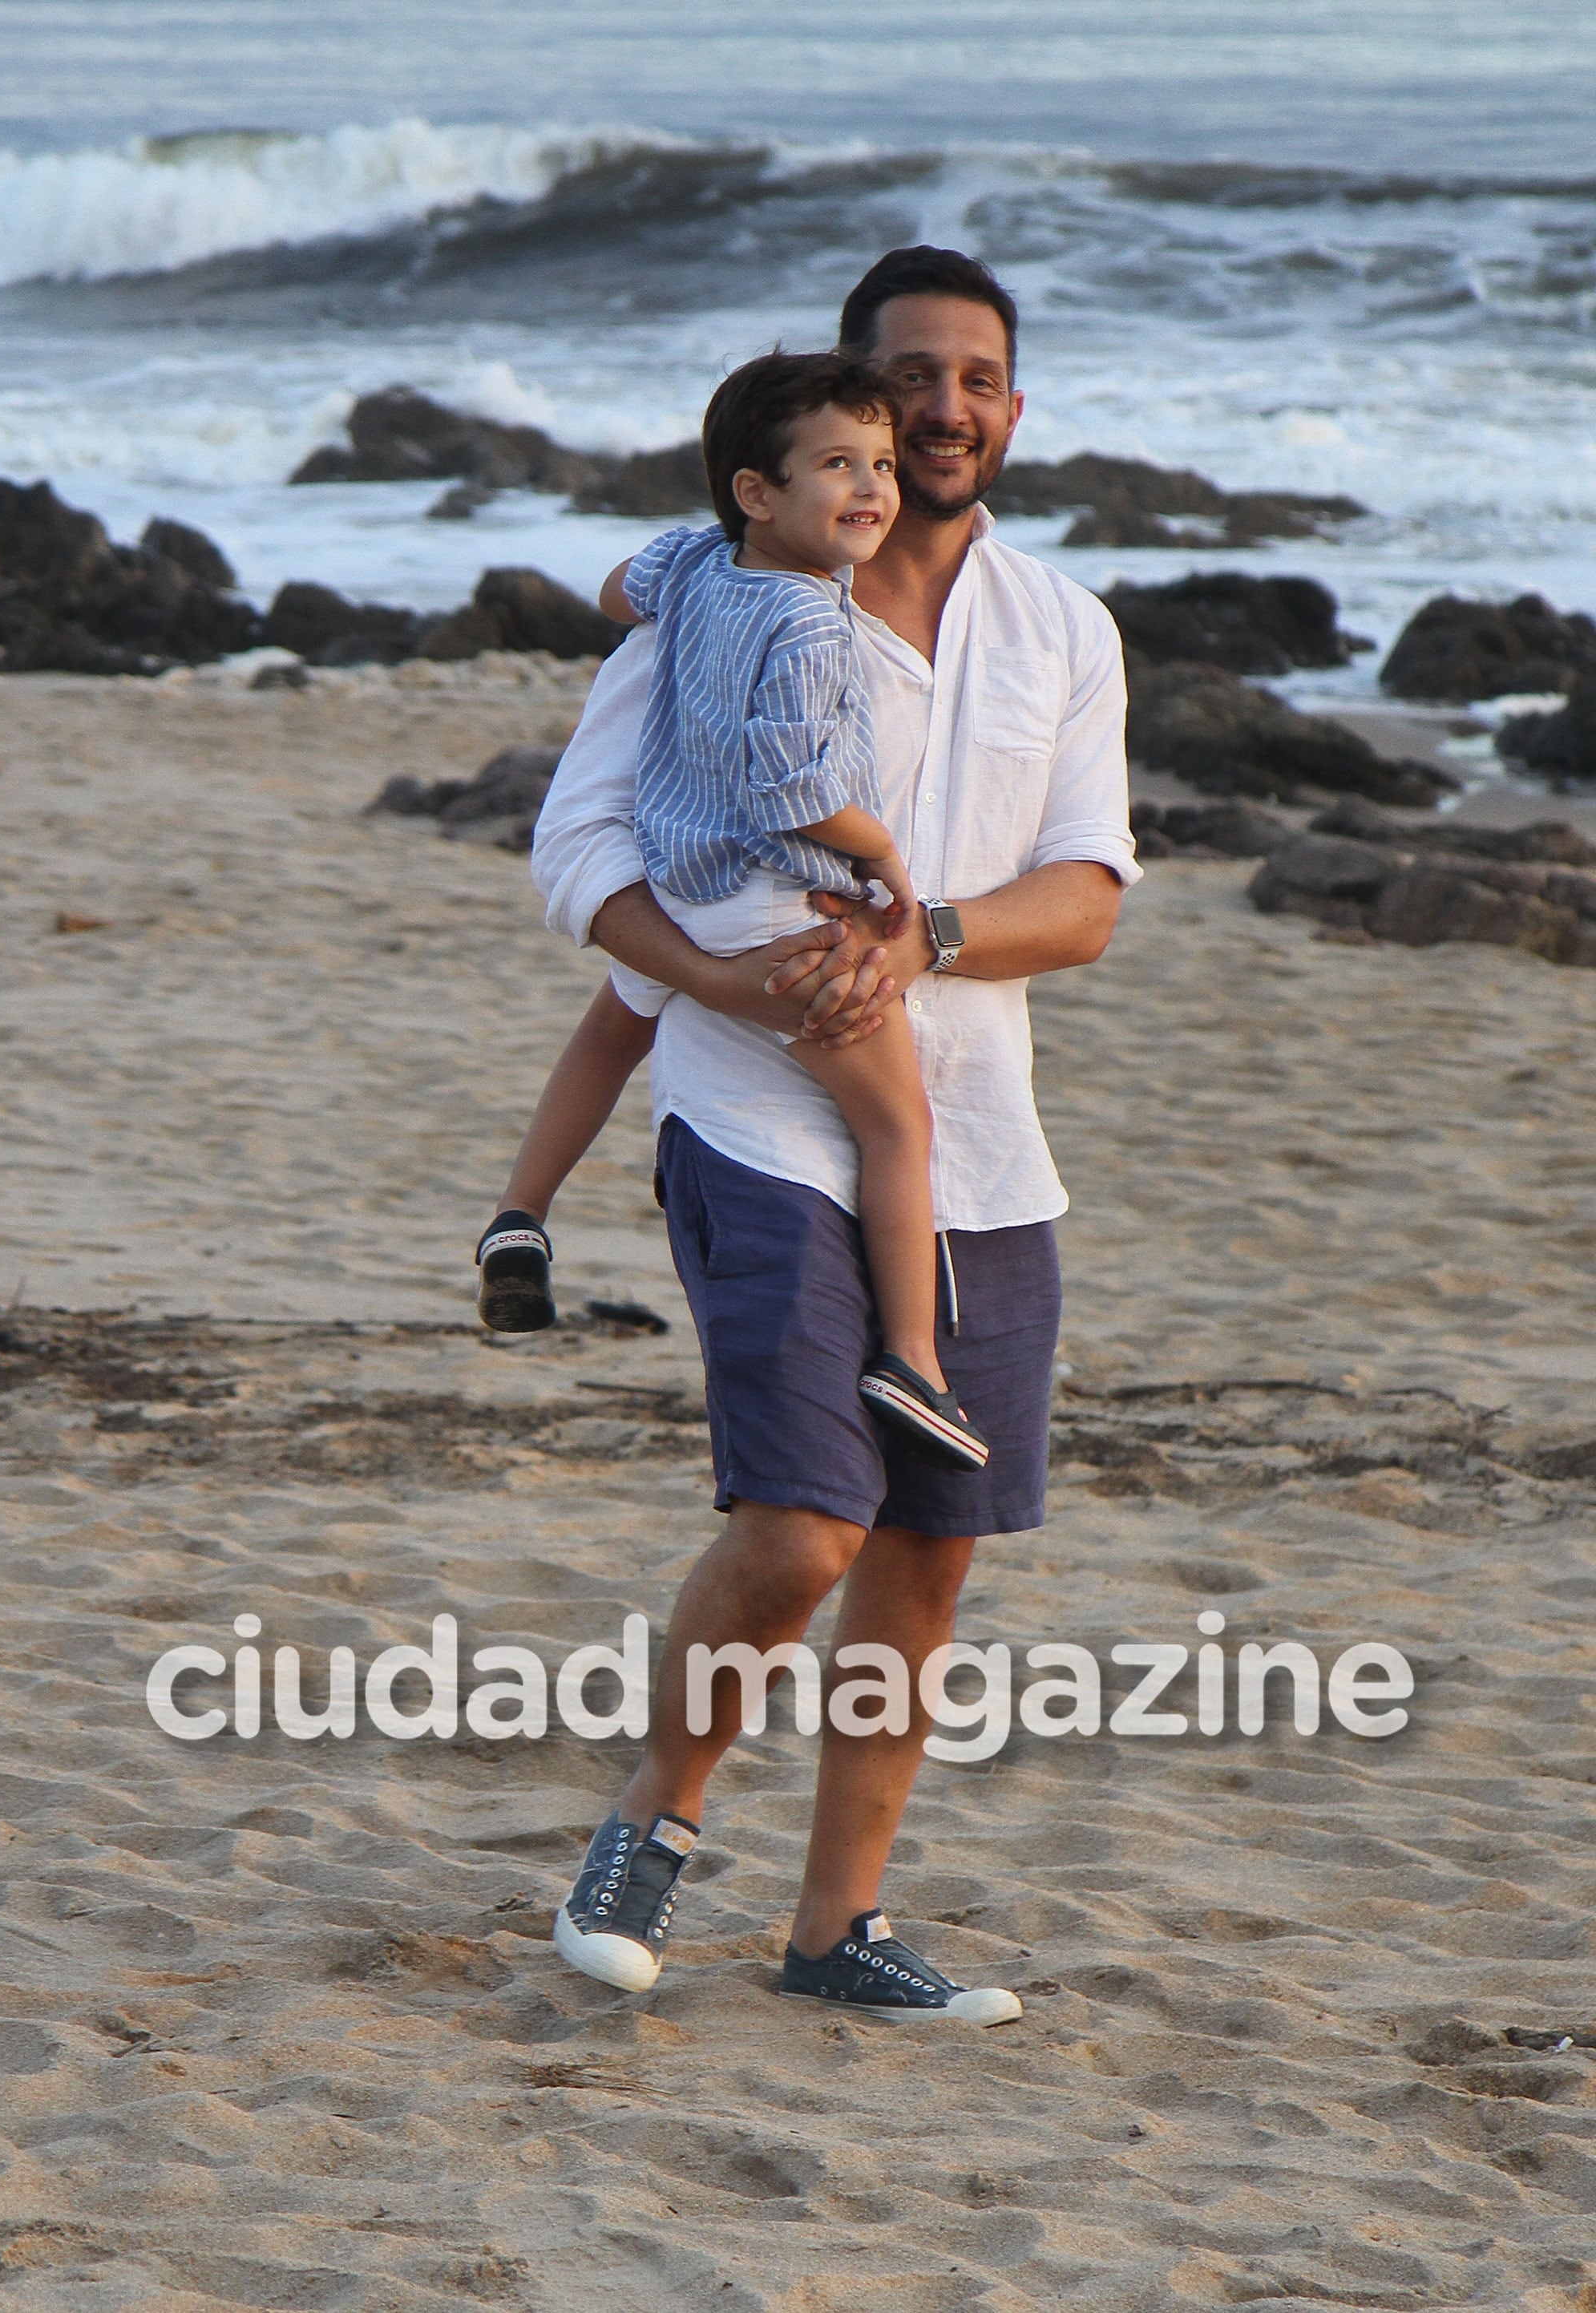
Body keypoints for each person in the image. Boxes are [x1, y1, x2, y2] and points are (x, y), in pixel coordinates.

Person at [528, 245, 1141, 2024]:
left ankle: (832, 1932)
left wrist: (920, 933)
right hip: (757, 1116)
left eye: (975, 381)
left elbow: (1089, 897)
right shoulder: (728, 599)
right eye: (905, 383)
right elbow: (581, 860)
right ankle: (654, 1820)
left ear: (1011, 411)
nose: (937, 414)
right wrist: (724, 993)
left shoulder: (1063, 631)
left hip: (982, 1151)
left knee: (925, 1557)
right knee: (802, 1527)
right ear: (844, 405)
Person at [477, 350, 986, 1469]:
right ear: (759, 490)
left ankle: (520, 1212)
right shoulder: (814, 624)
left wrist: (697, 562)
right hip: (773, 903)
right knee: (898, 1124)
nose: (873, 489)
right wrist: (886, 853)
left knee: (620, 1015)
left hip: (679, 887)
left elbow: (620, 588)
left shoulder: (702, 565)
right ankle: (914, 1356)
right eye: (840, 466)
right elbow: (795, 791)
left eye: (884, 464)